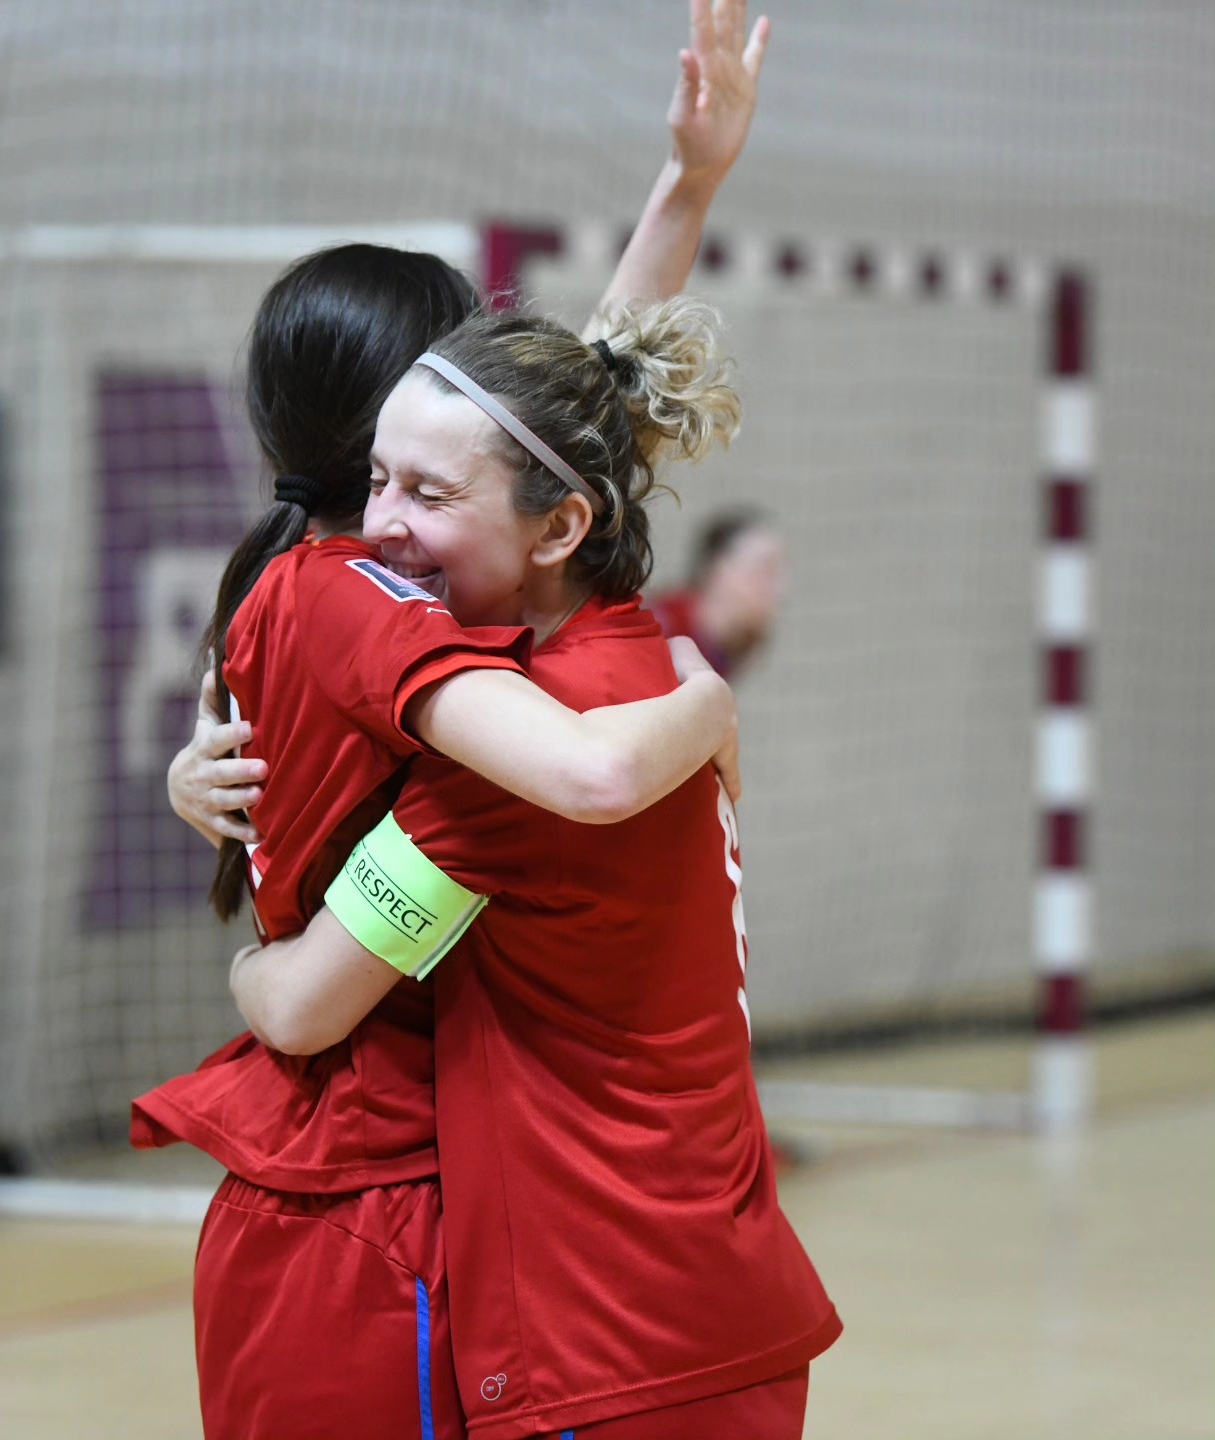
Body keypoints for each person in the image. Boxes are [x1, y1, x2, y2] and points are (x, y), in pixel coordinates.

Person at [137, 9, 776, 1437]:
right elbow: (592, 765)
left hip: (379, 1179)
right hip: (386, 1197)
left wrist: (688, 188)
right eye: (411, 469)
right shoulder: (396, 620)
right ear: (395, 435)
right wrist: (709, 696)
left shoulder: (315, 579)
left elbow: (584, 412)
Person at [231, 300, 839, 1439]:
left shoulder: (519, 755)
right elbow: (571, 415)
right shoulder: (635, 648)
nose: (380, 528)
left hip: (612, 1332)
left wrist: (246, 971)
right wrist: (685, 188)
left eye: (428, 494)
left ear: (558, 529)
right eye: (376, 479)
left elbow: (305, 1008)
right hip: (714, 1286)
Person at [648, 505, 788, 680]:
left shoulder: (720, 648)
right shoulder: (660, 633)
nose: (780, 589)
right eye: (766, 570)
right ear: (719, 570)